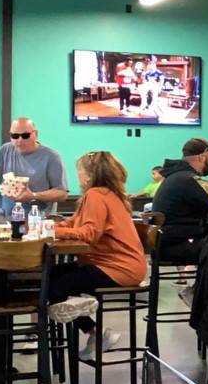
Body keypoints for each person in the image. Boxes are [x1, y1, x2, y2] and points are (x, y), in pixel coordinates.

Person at [51, 152, 147, 360]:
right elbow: (74, 223)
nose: (77, 176)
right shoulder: (109, 194)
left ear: (88, 175)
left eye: (79, 171)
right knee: (51, 277)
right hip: (122, 265)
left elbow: (89, 234)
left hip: (116, 268)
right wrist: (49, 226)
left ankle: (92, 324)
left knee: (53, 286)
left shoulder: (95, 195)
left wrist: (53, 233)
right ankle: (85, 316)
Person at [0, 117, 69, 215]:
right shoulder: (5, 150)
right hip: (6, 220)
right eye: (15, 136)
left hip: (37, 219)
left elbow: (62, 193)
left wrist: (33, 195)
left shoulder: (51, 157)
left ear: (35, 134)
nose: (19, 140)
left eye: (25, 135)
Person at [152, 138, 208, 265]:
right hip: (180, 246)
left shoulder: (174, 177)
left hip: (164, 244)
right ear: (203, 157)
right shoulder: (191, 180)